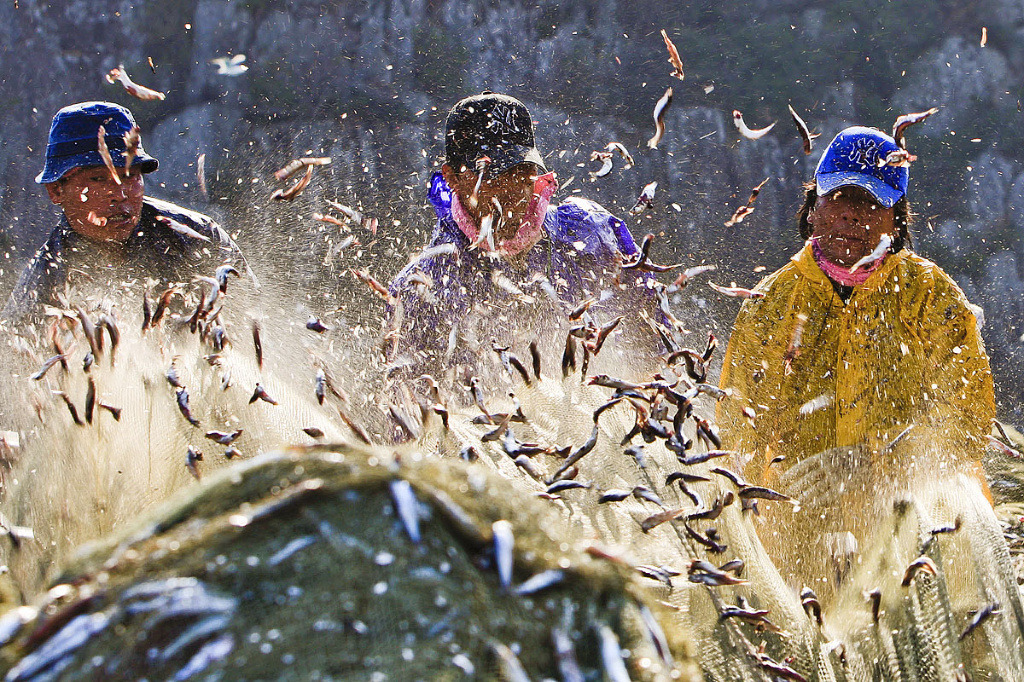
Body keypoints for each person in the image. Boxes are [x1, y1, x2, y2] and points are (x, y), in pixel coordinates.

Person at [717, 126, 996, 593]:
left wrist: (872, 466)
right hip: (796, 540)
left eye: (870, 203)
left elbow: (965, 418)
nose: (851, 215)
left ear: (896, 218)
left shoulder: (931, 297)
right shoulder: (771, 306)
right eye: (839, 198)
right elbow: (737, 430)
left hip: (918, 544)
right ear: (814, 206)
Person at [385, 92, 662, 394]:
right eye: (490, 174)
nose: (512, 190)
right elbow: (415, 417)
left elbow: (658, 346)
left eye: (521, 172)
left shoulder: (590, 234)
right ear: (452, 177)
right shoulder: (424, 287)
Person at [3, 101, 245, 319]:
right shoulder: (38, 293)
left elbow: (257, 317)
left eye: (129, 176)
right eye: (99, 179)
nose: (119, 195)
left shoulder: (198, 237)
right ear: (56, 190)